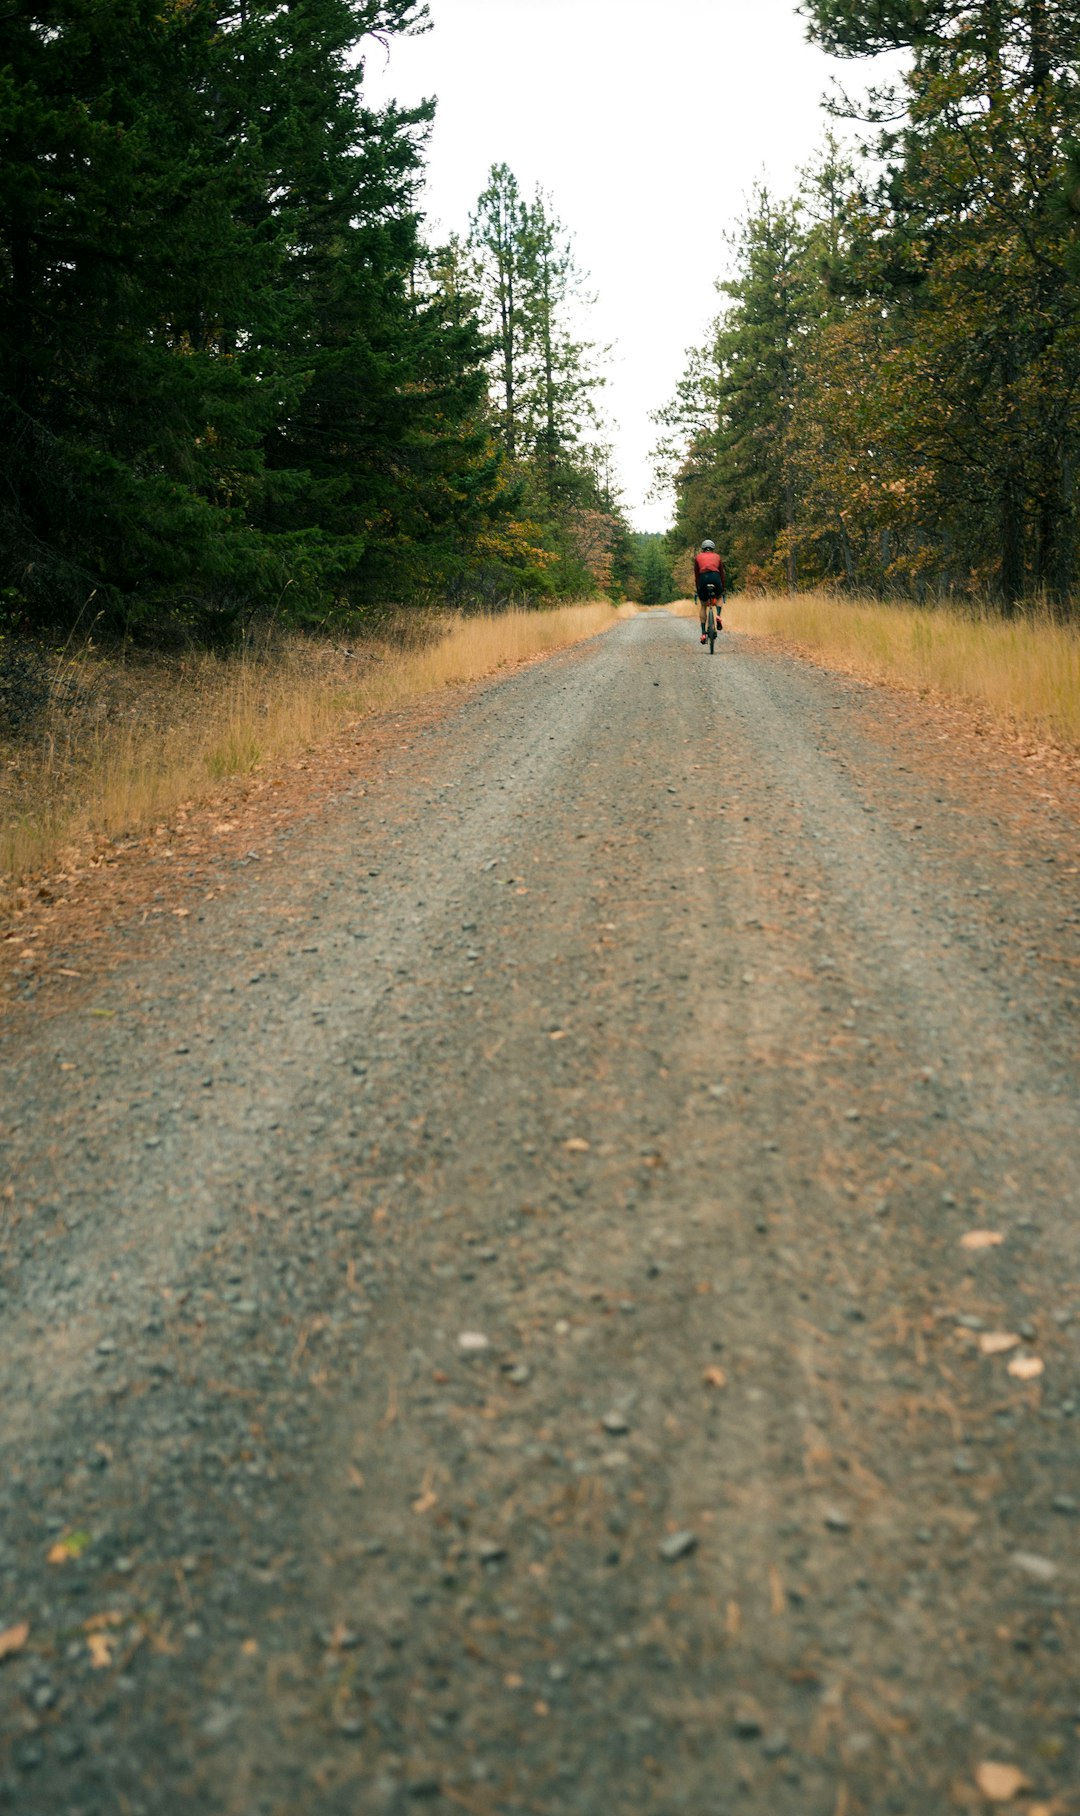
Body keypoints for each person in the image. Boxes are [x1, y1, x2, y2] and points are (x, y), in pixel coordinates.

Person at [693, 540, 726, 643]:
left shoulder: (698, 557)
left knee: (703, 605)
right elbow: (722, 574)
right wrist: (722, 588)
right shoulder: (717, 557)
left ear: (703, 549)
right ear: (712, 548)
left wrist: (698, 588)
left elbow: (696, 575)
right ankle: (718, 616)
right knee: (719, 596)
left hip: (703, 578)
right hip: (715, 578)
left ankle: (703, 634)